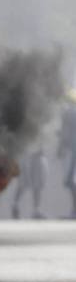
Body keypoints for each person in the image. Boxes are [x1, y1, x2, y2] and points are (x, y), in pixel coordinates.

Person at [12, 145, 46, 219]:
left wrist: (41, 150)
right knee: (22, 182)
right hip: (25, 153)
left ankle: (36, 210)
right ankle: (15, 205)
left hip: (36, 155)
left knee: (37, 184)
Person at [58, 89, 76, 218]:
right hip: (71, 150)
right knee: (71, 181)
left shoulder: (68, 112)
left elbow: (65, 133)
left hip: (71, 151)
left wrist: (60, 148)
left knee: (70, 181)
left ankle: (74, 211)